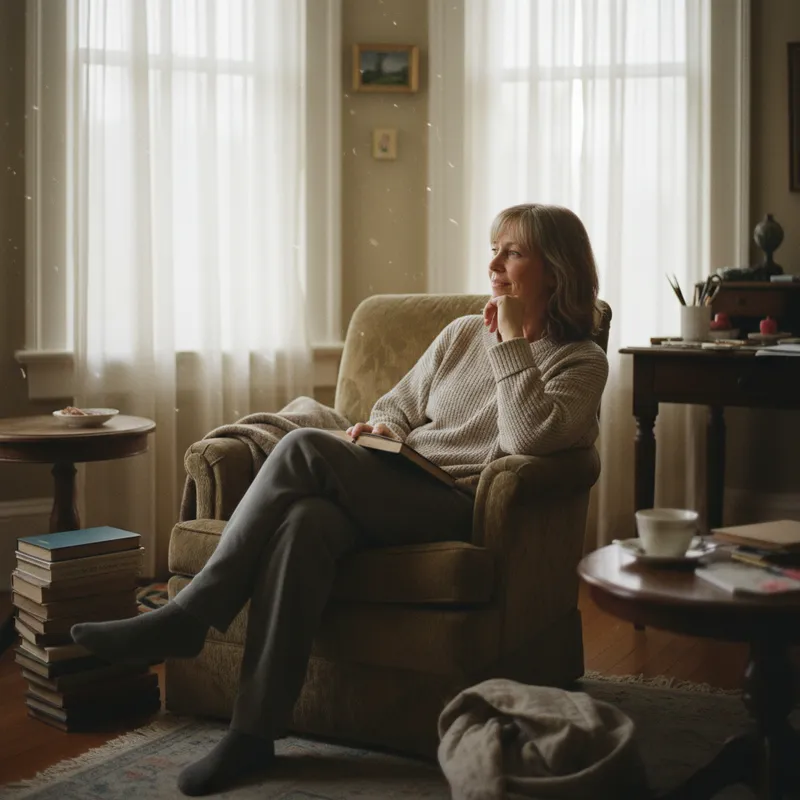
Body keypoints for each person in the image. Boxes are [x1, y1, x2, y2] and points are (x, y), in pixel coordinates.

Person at [72, 203, 609, 797]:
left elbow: (526, 438)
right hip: (399, 480)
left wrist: (511, 342)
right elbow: (394, 406)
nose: (493, 265)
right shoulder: (461, 333)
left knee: (304, 448)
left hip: (460, 502)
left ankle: (188, 616)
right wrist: (381, 435)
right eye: (493, 248)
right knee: (306, 522)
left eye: (511, 252)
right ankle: (252, 734)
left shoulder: (581, 361)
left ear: (554, 270)